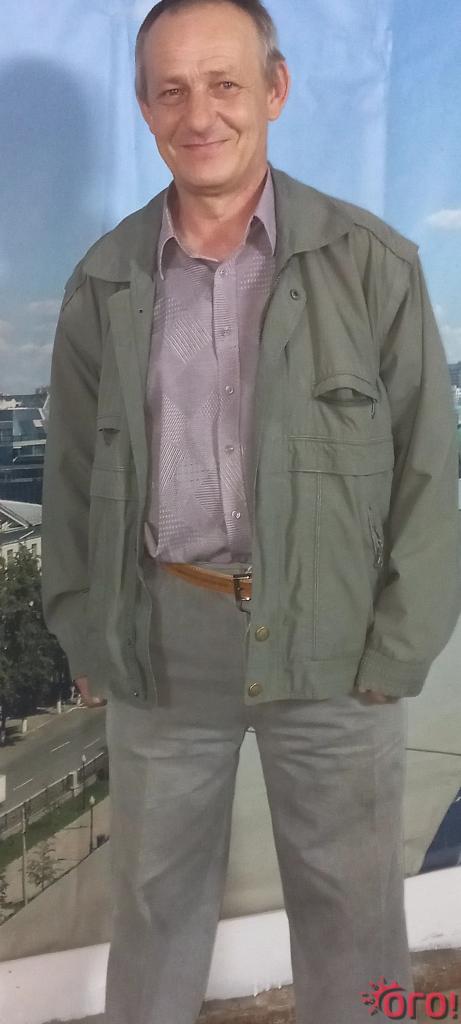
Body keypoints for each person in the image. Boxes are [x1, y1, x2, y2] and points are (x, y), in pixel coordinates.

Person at [40, 1, 460, 1021]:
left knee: (353, 913)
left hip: (335, 641)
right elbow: (68, 478)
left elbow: (428, 472)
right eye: (171, 90)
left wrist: (398, 646)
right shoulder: (103, 281)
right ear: (145, 108)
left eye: (224, 83)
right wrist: (87, 630)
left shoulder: (373, 264)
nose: (200, 114)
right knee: (153, 909)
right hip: (162, 640)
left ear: (273, 90)